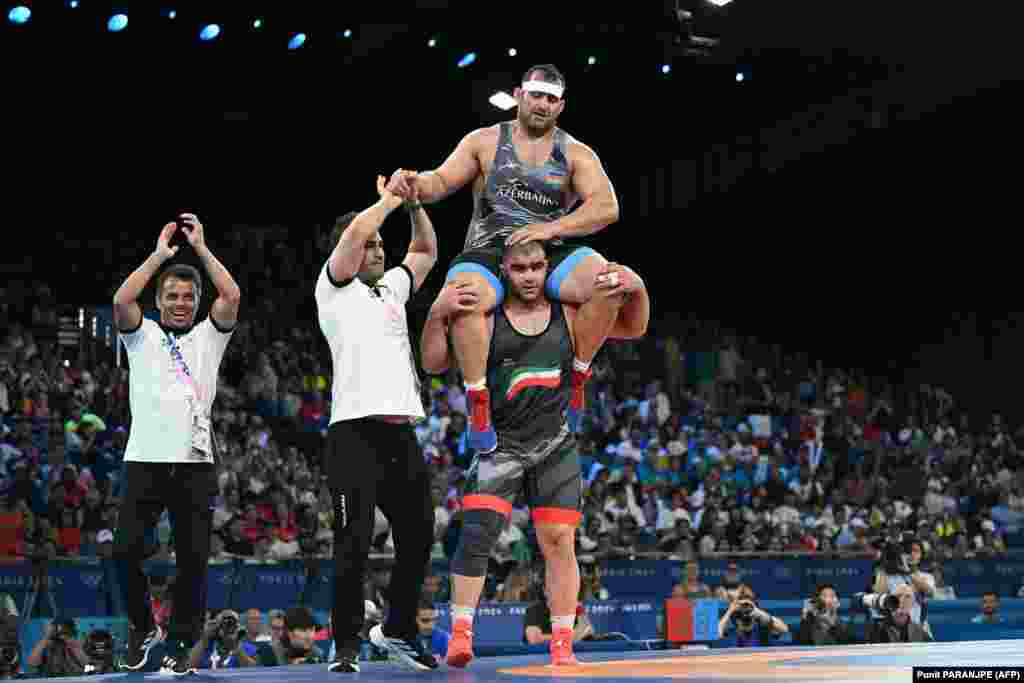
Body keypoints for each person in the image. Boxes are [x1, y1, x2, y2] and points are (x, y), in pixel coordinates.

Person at [419, 240, 649, 667]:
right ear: (503, 271)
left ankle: (563, 641)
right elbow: (432, 361)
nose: (528, 275)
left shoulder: (571, 313)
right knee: (476, 535)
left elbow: (634, 327)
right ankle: (461, 635)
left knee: (560, 542)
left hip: (553, 443)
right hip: (499, 443)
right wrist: (436, 311)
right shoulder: (483, 319)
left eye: (537, 266)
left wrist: (638, 288)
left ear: (549, 269)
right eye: (519, 268)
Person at [389, 63, 625, 453]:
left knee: (608, 283)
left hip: (549, 249)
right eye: (536, 95)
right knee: (465, 296)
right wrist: (415, 183)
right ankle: (478, 399)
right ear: (519, 95)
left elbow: (607, 206)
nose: (542, 105)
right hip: (489, 248)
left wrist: (551, 229)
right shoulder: (484, 141)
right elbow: (441, 181)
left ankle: (579, 375)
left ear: (560, 106)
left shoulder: (575, 153)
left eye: (551, 99)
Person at [315, 176, 439, 673]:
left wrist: (412, 206)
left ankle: (397, 629)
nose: (378, 251)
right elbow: (352, 239)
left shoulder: (391, 288)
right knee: (354, 539)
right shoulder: (334, 286)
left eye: (381, 246)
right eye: (370, 245)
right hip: (353, 435)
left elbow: (426, 251)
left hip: (398, 432)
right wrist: (386, 201)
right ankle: (344, 645)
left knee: (420, 533)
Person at [111, 214, 240, 675]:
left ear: (197, 301)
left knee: (192, 562)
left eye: (188, 296)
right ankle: (144, 628)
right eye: (172, 296)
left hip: (194, 465)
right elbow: (122, 298)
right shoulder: (140, 333)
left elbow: (232, 296)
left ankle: (180, 642)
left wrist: (201, 249)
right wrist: (161, 256)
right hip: (143, 460)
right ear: (159, 301)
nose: (181, 303)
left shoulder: (210, 336)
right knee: (124, 552)